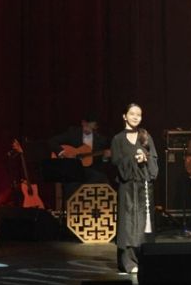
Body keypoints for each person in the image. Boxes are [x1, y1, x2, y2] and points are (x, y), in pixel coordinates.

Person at [111, 103, 158, 274]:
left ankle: (145, 259)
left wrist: (145, 158)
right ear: (124, 116)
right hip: (127, 186)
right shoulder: (118, 139)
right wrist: (133, 159)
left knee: (144, 223)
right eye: (132, 114)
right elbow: (116, 162)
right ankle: (128, 262)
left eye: (139, 114)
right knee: (128, 223)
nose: (136, 117)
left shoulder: (145, 136)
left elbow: (154, 158)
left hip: (143, 186)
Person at [47, 114, 112, 200]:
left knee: (102, 179)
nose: (88, 128)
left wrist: (105, 158)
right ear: (83, 123)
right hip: (72, 168)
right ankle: (72, 205)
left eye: (91, 127)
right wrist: (62, 152)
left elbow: (101, 163)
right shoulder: (73, 133)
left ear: (95, 127)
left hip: (90, 170)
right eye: (86, 125)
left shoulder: (101, 139)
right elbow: (52, 141)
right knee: (72, 183)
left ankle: (93, 205)